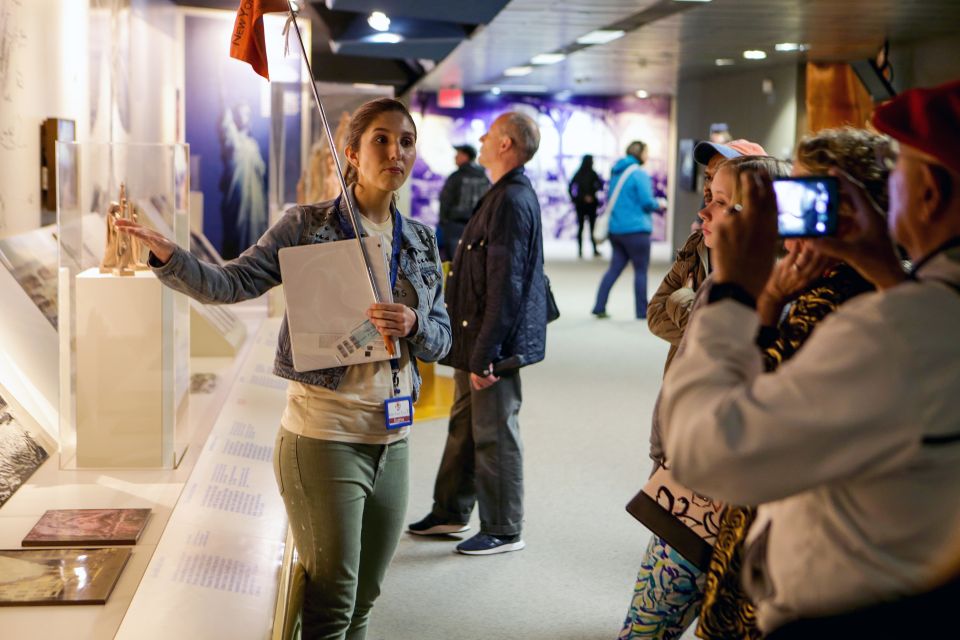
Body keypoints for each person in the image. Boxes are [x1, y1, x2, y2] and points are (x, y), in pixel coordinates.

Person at [117, 98, 452, 639]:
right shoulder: (306, 226)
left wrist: (414, 323)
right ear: (352, 153)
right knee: (331, 604)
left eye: (407, 141)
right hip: (325, 435)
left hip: (394, 436)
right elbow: (232, 283)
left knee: (365, 597)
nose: (396, 152)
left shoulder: (420, 240)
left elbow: (443, 339)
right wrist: (170, 259)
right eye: (382, 140)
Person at [660, 79, 960, 635]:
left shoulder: (886, 331)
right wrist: (882, 263)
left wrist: (737, 292)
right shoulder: (923, 309)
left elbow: (707, 451)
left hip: (847, 609)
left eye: (904, 177)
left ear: (930, 194)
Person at [696, 127, 889, 640]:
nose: (789, 215)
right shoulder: (816, 287)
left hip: (805, 552)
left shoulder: (841, 305)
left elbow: (724, 426)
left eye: (808, 198)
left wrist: (752, 298)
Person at [619, 155, 791, 640]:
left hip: (719, 498)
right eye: (707, 200)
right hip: (687, 484)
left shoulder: (770, 295)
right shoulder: (719, 281)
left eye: (720, 203)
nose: (704, 215)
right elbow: (661, 311)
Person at [407, 112, 547, 555]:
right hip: (476, 340)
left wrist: (487, 353)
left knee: (494, 432)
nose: (482, 140)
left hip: (492, 344)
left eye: (489, 135)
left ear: (506, 145)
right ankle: (450, 511)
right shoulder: (501, 193)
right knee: (465, 427)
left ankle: (505, 529)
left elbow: (507, 283)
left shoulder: (511, 200)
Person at [647, 139, 766, 380]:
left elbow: (740, 345)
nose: (710, 186)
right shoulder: (699, 243)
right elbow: (656, 314)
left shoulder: (763, 259)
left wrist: (682, 300)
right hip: (683, 383)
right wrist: (708, 337)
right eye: (708, 176)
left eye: (721, 175)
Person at [592, 140, 662, 319]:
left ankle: (599, 306)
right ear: (640, 153)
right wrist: (660, 204)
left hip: (616, 230)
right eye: (646, 152)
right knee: (640, 271)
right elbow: (647, 202)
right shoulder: (639, 174)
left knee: (614, 268)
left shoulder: (617, 172)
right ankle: (641, 312)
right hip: (637, 230)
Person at [219, 102, 267, 259]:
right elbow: (226, 123)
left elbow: (261, 173)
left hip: (255, 203)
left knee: (255, 233)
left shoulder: (253, 145)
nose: (243, 117)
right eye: (239, 114)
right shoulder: (234, 139)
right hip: (239, 201)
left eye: (246, 113)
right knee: (238, 233)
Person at [438, 143, 491, 261]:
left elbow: (445, 201)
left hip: (455, 228)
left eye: (458, 154)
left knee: (454, 263)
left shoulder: (456, 177)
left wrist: (443, 223)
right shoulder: (484, 178)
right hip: (479, 228)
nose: (455, 157)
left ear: (466, 156)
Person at [568, 154, 604, 257]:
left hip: (586, 204)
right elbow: (571, 187)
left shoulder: (587, 173)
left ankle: (587, 250)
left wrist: (576, 198)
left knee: (586, 227)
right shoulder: (588, 173)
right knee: (584, 227)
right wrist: (577, 198)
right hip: (584, 204)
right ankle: (584, 250)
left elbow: (600, 185)